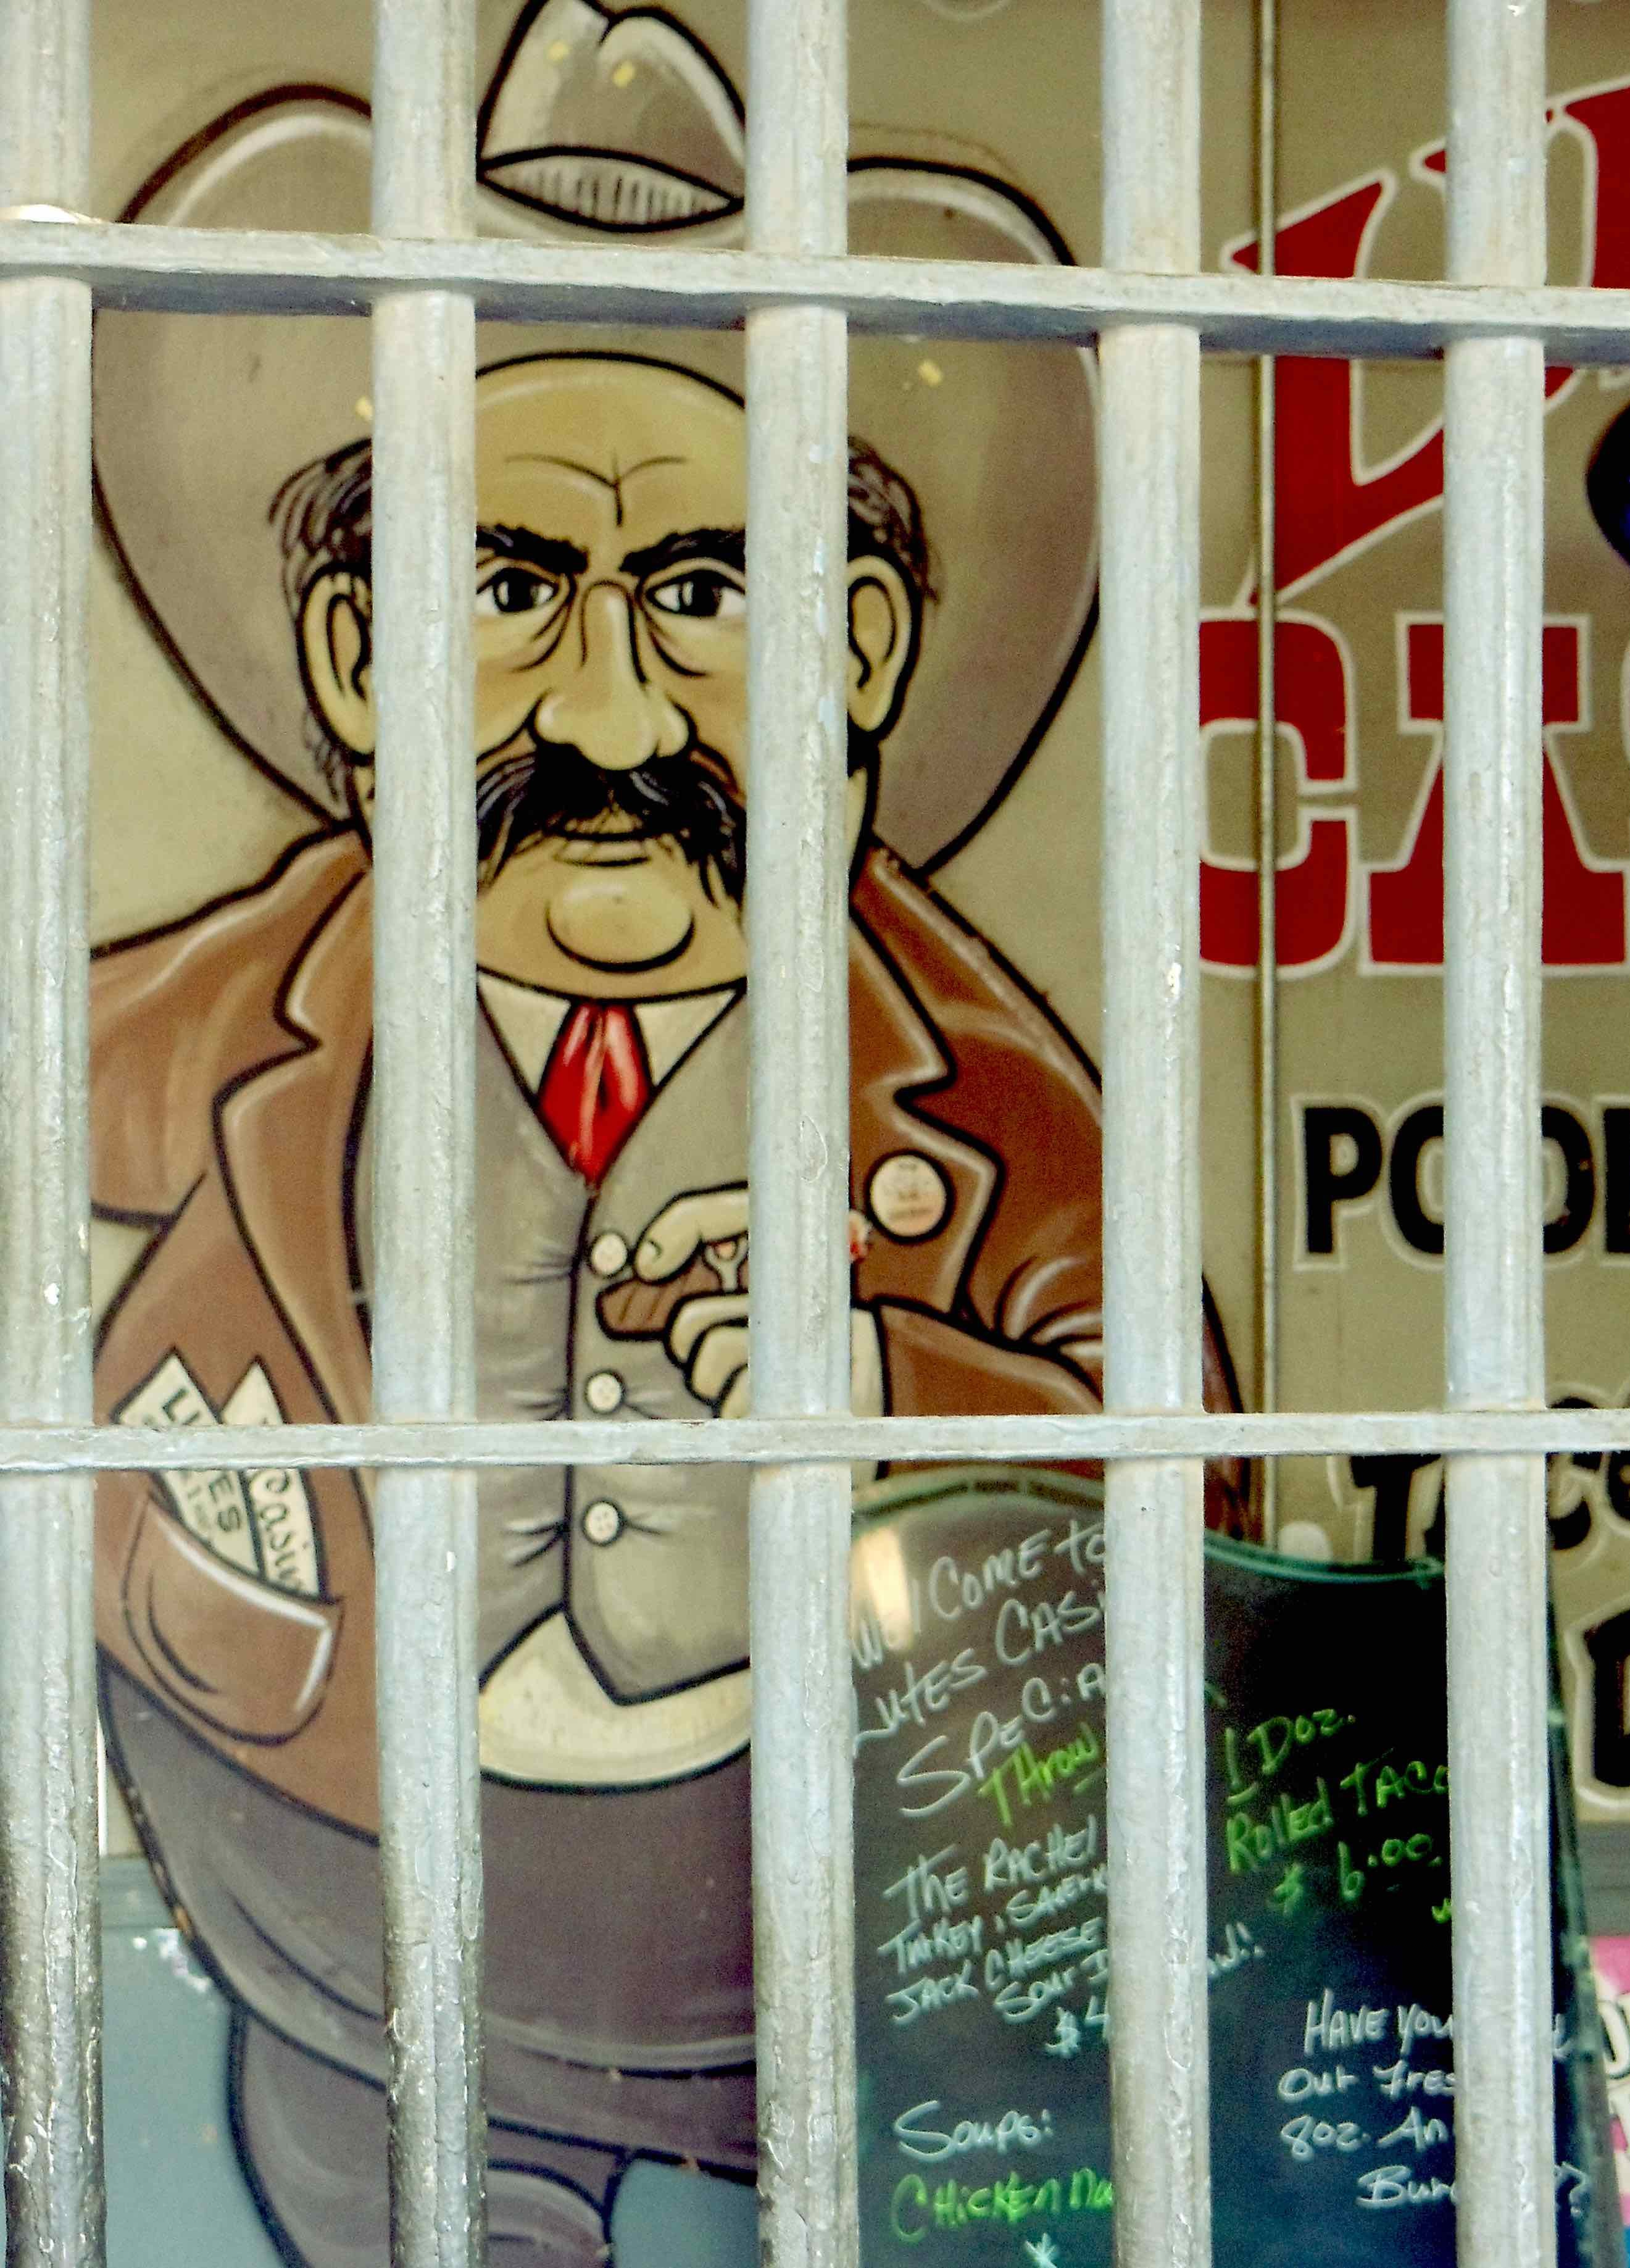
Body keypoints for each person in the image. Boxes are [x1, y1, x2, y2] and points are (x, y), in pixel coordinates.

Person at [90, 343, 1250, 2264]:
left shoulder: (969, 1084)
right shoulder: (201, 1018)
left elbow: (1184, 1470)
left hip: (816, 1957)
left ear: (857, 653)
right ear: (361, 657)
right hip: (348, 1918)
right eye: (513, 592)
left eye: (704, 597)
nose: (614, 717)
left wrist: (885, 1379)